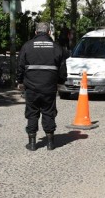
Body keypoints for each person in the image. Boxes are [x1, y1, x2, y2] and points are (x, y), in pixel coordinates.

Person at [16, 22, 67, 151]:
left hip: (31, 87)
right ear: (49, 32)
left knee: (32, 113)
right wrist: (60, 82)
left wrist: (19, 81)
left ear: (35, 32)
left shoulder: (27, 46)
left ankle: (32, 144)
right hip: (49, 87)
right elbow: (62, 70)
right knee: (48, 112)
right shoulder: (57, 47)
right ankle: (50, 143)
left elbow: (20, 66)